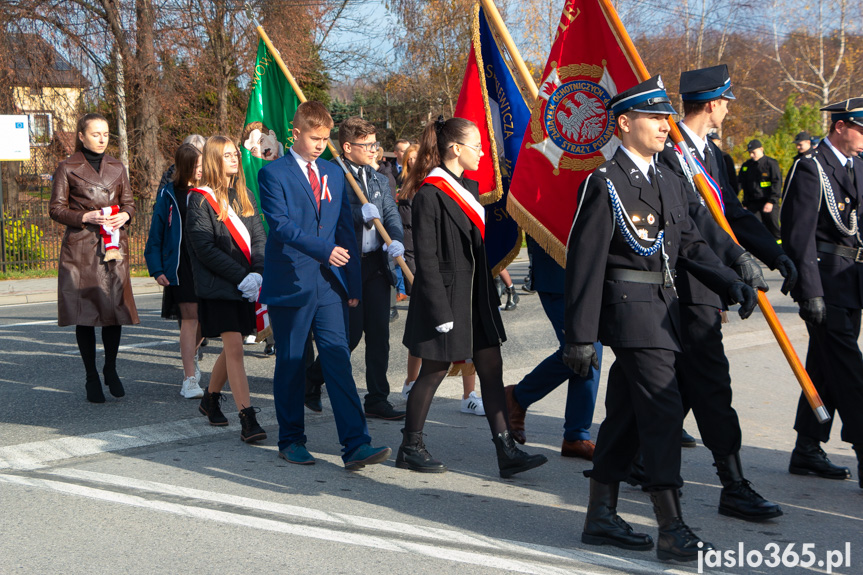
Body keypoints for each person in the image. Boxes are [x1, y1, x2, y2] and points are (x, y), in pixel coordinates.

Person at [565, 76, 757, 561]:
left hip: (667, 311)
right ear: (624, 123)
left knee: (628, 417)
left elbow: (690, 244)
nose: (664, 126)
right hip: (633, 314)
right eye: (653, 117)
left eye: (665, 117)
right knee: (666, 413)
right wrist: (580, 337)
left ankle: (600, 516)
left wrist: (729, 282)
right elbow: (584, 263)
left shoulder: (668, 179)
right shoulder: (605, 181)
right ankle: (672, 528)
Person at [656, 64, 795, 522]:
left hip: (708, 284)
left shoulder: (712, 156)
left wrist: (775, 255)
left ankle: (631, 463)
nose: (729, 108)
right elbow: (693, 229)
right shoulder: (671, 154)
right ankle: (733, 486)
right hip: (683, 284)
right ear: (713, 103)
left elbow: (730, 214)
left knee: (673, 384)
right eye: (727, 100)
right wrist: (733, 268)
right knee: (708, 383)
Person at [398, 115, 547, 478]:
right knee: (433, 371)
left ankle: (506, 450)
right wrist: (439, 307)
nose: (482, 153)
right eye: (477, 146)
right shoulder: (429, 194)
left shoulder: (468, 187)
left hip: (476, 296)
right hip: (446, 300)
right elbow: (428, 260)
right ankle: (410, 446)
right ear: (456, 148)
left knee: (492, 371)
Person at [258, 101, 391, 470]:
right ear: (295, 133)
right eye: (314, 138)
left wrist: (352, 285)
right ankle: (291, 439)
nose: (320, 144)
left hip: (330, 283)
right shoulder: (274, 174)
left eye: (325, 138)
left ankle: (355, 444)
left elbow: (343, 228)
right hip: (293, 281)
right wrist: (324, 249)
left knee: (337, 358)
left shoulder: (333, 175)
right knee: (292, 362)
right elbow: (281, 226)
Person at [781, 98, 863, 489]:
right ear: (841, 126)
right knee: (852, 372)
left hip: (852, 282)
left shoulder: (857, 166)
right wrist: (808, 291)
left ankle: (807, 447)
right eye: (861, 128)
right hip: (826, 283)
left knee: (826, 369)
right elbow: (798, 236)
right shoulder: (811, 166)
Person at [306, 116, 407, 420]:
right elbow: (324, 215)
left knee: (379, 334)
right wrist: (355, 212)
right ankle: (311, 380)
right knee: (349, 335)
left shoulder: (377, 177)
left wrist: (396, 240)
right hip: (346, 266)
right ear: (347, 147)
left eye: (376, 143)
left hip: (376, 263)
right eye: (368, 145)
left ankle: (377, 397)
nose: (375, 149)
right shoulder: (332, 175)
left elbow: (389, 212)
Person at [49, 113, 139, 403]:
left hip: (113, 248)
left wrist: (125, 215)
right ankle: (91, 376)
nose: (101, 139)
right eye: (96, 133)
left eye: (106, 134)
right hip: (81, 248)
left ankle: (110, 369)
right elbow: (56, 208)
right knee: (84, 316)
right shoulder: (67, 167)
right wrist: (83, 216)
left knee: (114, 313)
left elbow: (129, 203)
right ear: (81, 135)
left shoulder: (117, 166)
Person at [186, 135, 267, 443]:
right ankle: (247, 417)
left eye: (236, 154)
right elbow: (205, 248)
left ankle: (210, 399)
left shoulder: (244, 194)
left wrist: (258, 272)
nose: (235, 159)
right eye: (227, 155)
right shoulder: (199, 199)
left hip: (246, 285)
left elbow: (259, 237)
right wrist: (241, 276)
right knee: (234, 347)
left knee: (233, 347)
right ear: (212, 160)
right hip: (219, 287)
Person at [505, 236, 601, 460]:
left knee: (588, 356)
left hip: (591, 273)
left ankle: (576, 435)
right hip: (559, 269)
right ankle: (518, 396)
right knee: (583, 350)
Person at [145, 144, 205, 399]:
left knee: (208, 320)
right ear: (184, 167)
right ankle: (189, 378)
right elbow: (156, 233)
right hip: (182, 267)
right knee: (190, 319)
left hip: (209, 265)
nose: (201, 171)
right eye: (196, 167)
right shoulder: (169, 194)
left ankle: (190, 356)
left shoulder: (209, 191)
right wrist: (156, 268)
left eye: (203, 166)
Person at [739, 139, 782, 240]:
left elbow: (777, 183)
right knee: (756, 228)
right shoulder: (747, 166)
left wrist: (771, 201)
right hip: (753, 204)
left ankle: (781, 250)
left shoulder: (770, 163)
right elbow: (743, 185)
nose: (751, 155)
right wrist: (745, 204)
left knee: (773, 228)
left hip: (768, 202)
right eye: (750, 153)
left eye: (753, 152)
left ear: (761, 149)